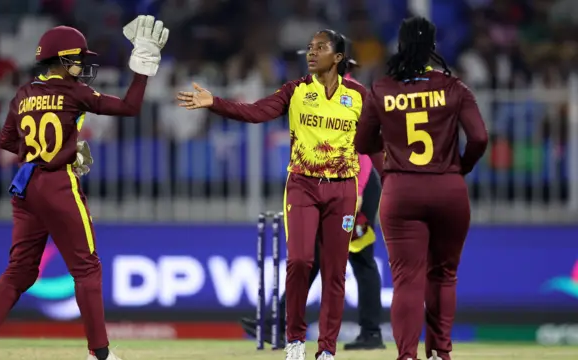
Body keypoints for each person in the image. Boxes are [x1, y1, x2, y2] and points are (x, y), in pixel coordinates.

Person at [0, 16, 169, 360]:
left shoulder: (23, 94)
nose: (83, 66)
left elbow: (8, 141)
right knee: (87, 268)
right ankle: (99, 354)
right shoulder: (74, 91)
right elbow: (130, 107)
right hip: (58, 185)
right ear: (65, 59)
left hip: (26, 187)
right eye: (79, 59)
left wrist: (56, 148)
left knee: (19, 270)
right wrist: (142, 69)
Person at [177, 29, 366, 360]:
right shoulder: (295, 91)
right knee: (300, 261)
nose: (311, 53)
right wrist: (215, 103)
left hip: (343, 189)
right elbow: (256, 112)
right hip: (303, 185)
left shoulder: (359, 95)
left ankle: (327, 351)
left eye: (320, 48)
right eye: (309, 48)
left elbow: (377, 141)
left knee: (336, 271)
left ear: (337, 58)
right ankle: (295, 340)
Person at [354, 17, 488, 360]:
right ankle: (440, 354)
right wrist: (461, 168)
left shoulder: (382, 88)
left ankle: (407, 357)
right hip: (448, 189)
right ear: (433, 47)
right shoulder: (454, 87)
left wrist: (388, 169)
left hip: (401, 191)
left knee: (407, 280)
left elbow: (363, 141)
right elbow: (479, 137)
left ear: (399, 45)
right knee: (443, 275)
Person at [240, 154, 386, 351]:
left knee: (361, 258)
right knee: (312, 258)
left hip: (359, 184)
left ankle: (371, 333)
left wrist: (358, 191)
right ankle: (277, 323)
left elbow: (362, 153)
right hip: (335, 183)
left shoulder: (348, 121)